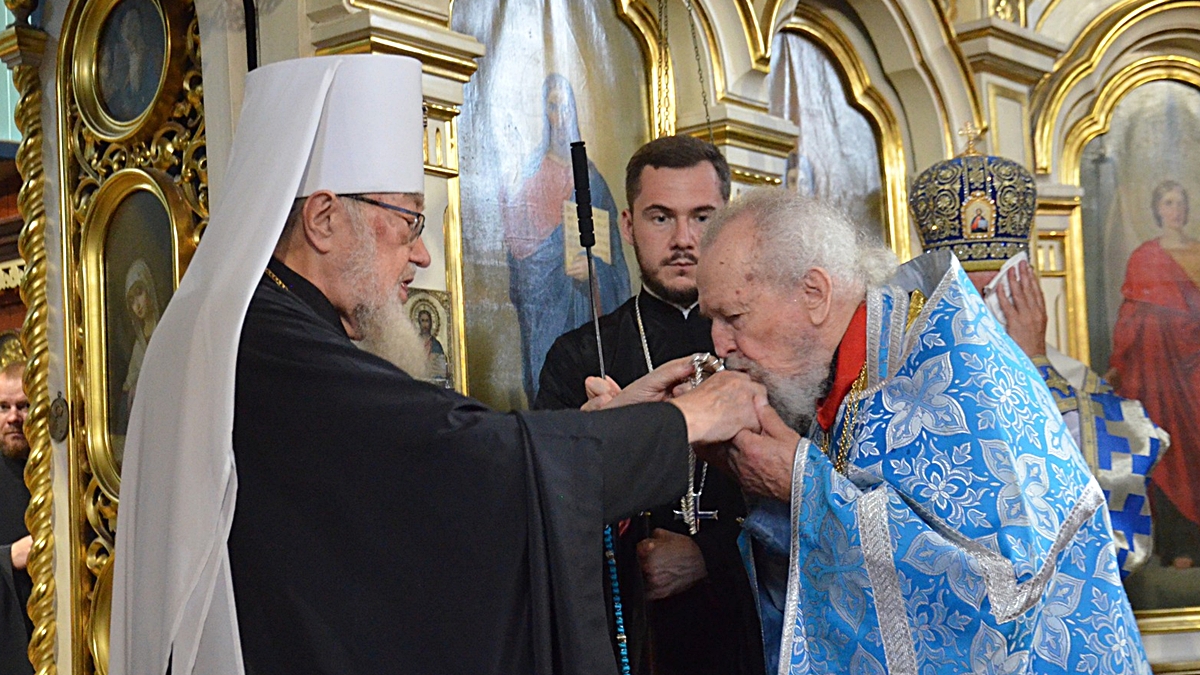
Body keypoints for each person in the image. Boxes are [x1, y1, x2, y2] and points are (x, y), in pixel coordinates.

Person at [110, 55, 767, 675]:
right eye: (409, 221)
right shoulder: (267, 339)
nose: (422, 255)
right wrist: (682, 421)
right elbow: (464, 460)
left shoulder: (259, 320)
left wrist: (615, 421)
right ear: (324, 219)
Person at [692, 189, 1149, 673]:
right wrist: (761, 481)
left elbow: (1003, 593)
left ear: (814, 294)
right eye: (712, 320)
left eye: (734, 317)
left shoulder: (954, 369)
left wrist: (803, 485)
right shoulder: (839, 376)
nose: (720, 344)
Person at [536, 135, 762, 675]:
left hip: (749, 634)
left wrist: (711, 557)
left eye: (703, 217)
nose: (684, 239)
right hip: (628, 638)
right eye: (661, 218)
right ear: (627, 225)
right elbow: (545, 510)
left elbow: (808, 499)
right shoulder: (579, 356)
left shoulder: (766, 344)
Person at [909, 152, 1167, 578]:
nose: (976, 312)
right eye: (960, 295)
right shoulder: (903, 381)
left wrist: (1033, 367)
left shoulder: (1075, 383)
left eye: (994, 292)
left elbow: (1114, 514)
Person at [501, 73, 631, 402]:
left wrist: (595, 272)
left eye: (566, 107)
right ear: (543, 114)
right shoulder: (529, 177)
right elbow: (520, 263)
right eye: (552, 107)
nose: (559, 117)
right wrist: (552, 265)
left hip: (586, 313)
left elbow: (616, 264)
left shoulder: (593, 181)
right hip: (546, 316)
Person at [1110, 180, 1200, 568]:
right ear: (1158, 209)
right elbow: (1131, 315)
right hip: (1158, 370)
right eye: (1168, 202)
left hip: (1195, 366)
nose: (1175, 210)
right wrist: (1119, 361)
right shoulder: (1145, 257)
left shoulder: (1198, 252)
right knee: (1169, 451)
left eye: (1180, 202)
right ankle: (1180, 545)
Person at [0, 332, 31, 675]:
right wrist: (9, 556)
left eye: (23, 406)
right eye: (3, 407)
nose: (13, 417)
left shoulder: (61, 473)